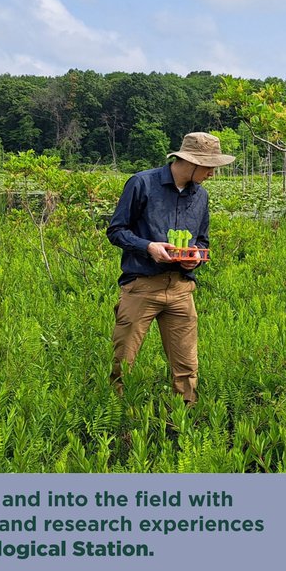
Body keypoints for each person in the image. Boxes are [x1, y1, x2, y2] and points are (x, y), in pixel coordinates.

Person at [105, 132, 234, 405]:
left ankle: (182, 424)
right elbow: (116, 231)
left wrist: (195, 258)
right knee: (123, 361)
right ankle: (114, 416)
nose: (212, 173)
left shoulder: (201, 196)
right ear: (190, 161)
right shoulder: (142, 183)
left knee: (187, 367)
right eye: (209, 166)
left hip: (180, 289)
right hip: (141, 286)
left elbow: (202, 240)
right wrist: (148, 247)